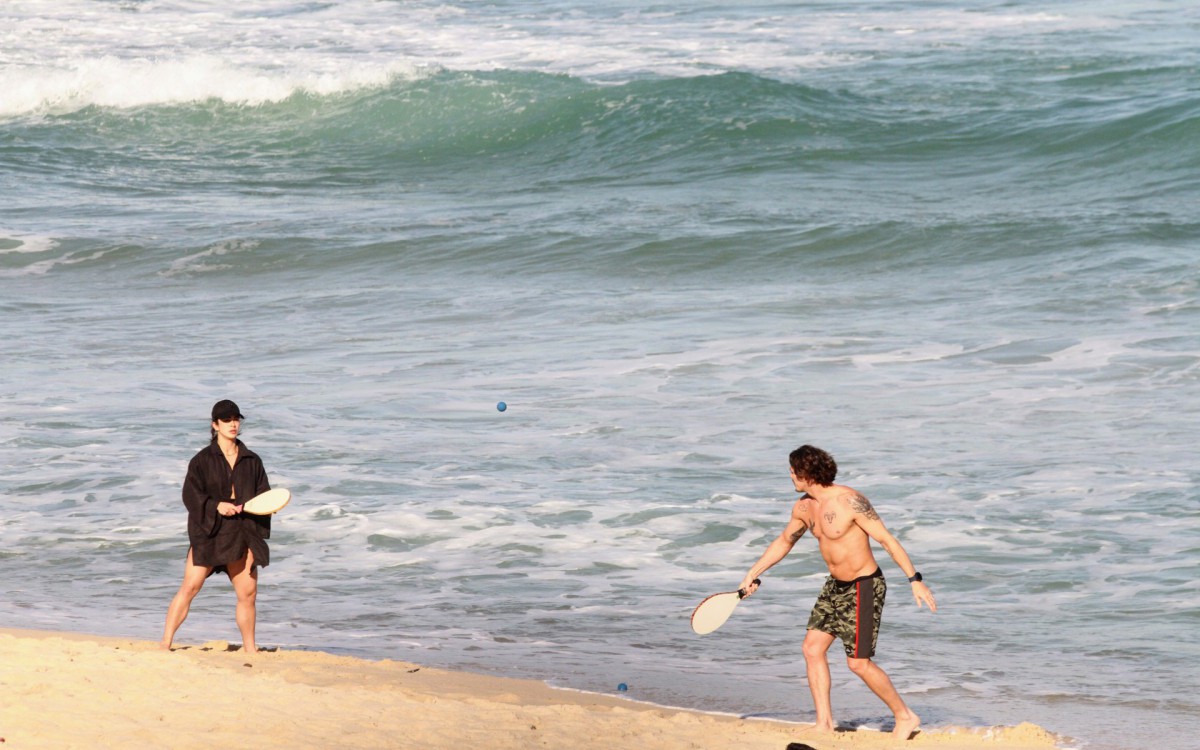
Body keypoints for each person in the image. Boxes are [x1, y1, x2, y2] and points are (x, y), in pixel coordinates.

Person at [738, 445, 937, 740]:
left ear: (806, 473)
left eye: (793, 472)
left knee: (858, 663)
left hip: (864, 585)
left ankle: (905, 716)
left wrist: (914, 579)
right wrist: (753, 573)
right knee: (812, 648)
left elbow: (887, 540)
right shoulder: (805, 507)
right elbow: (784, 541)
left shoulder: (850, 501)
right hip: (835, 586)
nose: (790, 477)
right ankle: (825, 723)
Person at [160, 399, 273, 653]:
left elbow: (264, 496)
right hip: (210, 532)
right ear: (215, 425)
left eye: (236, 419)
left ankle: (250, 649)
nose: (233, 424)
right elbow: (191, 495)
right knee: (190, 587)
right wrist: (215, 506)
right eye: (227, 420)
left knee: (248, 593)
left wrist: (261, 510)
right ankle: (165, 643)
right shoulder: (201, 460)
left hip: (242, 531)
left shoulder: (252, 460)